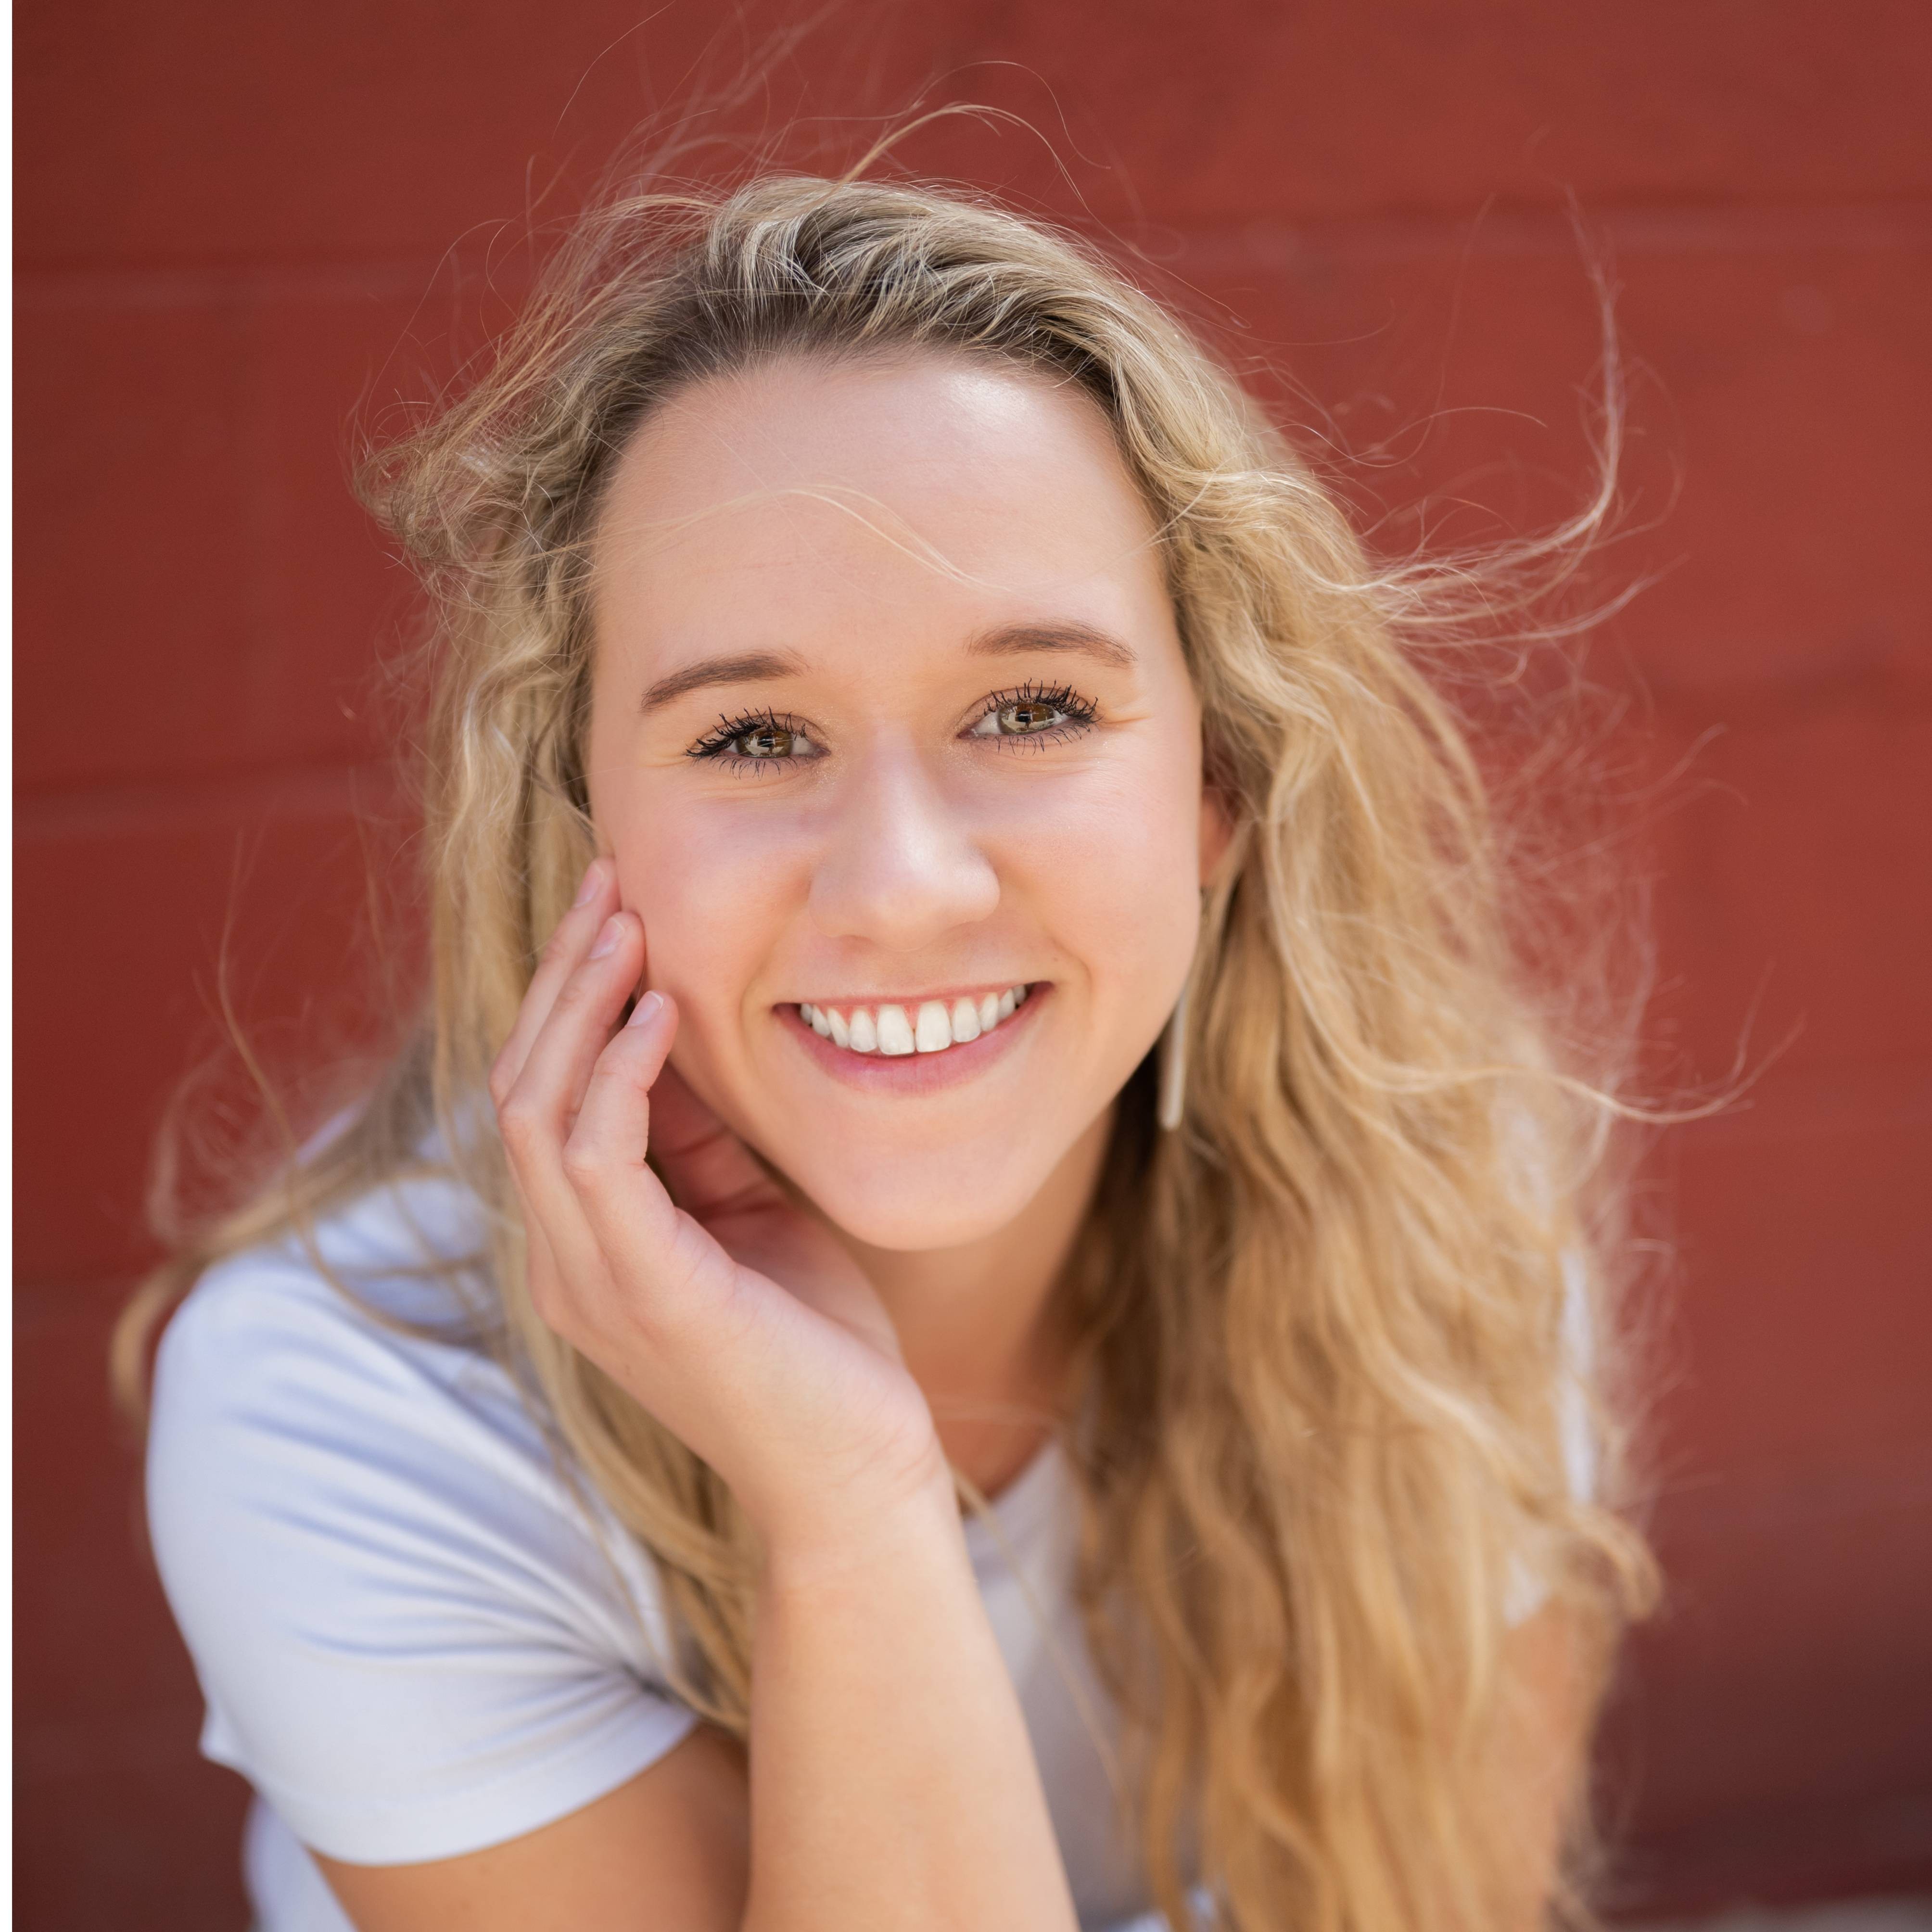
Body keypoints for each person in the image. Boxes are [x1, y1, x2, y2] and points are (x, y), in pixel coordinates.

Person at [115, 163, 1660, 1932]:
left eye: (1033, 709)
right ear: (582, 821)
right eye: (755, 736)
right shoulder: (354, 1402)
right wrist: (849, 1507)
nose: (905, 887)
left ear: (1217, 786)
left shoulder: (1444, 1212)